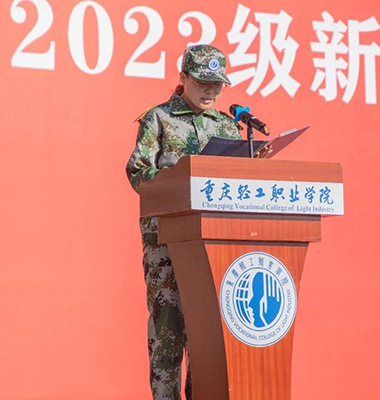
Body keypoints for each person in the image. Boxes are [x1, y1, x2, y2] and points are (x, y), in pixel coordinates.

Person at [125, 44, 242, 400]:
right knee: (169, 332)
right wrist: (178, 179)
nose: (210, 91)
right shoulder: (159, 119)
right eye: (203, 82)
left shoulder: (227, 126)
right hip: (167, 243)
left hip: (214, 244)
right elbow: (138, 173)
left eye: (216, 84)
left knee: (207, 337)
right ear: (183, 78)